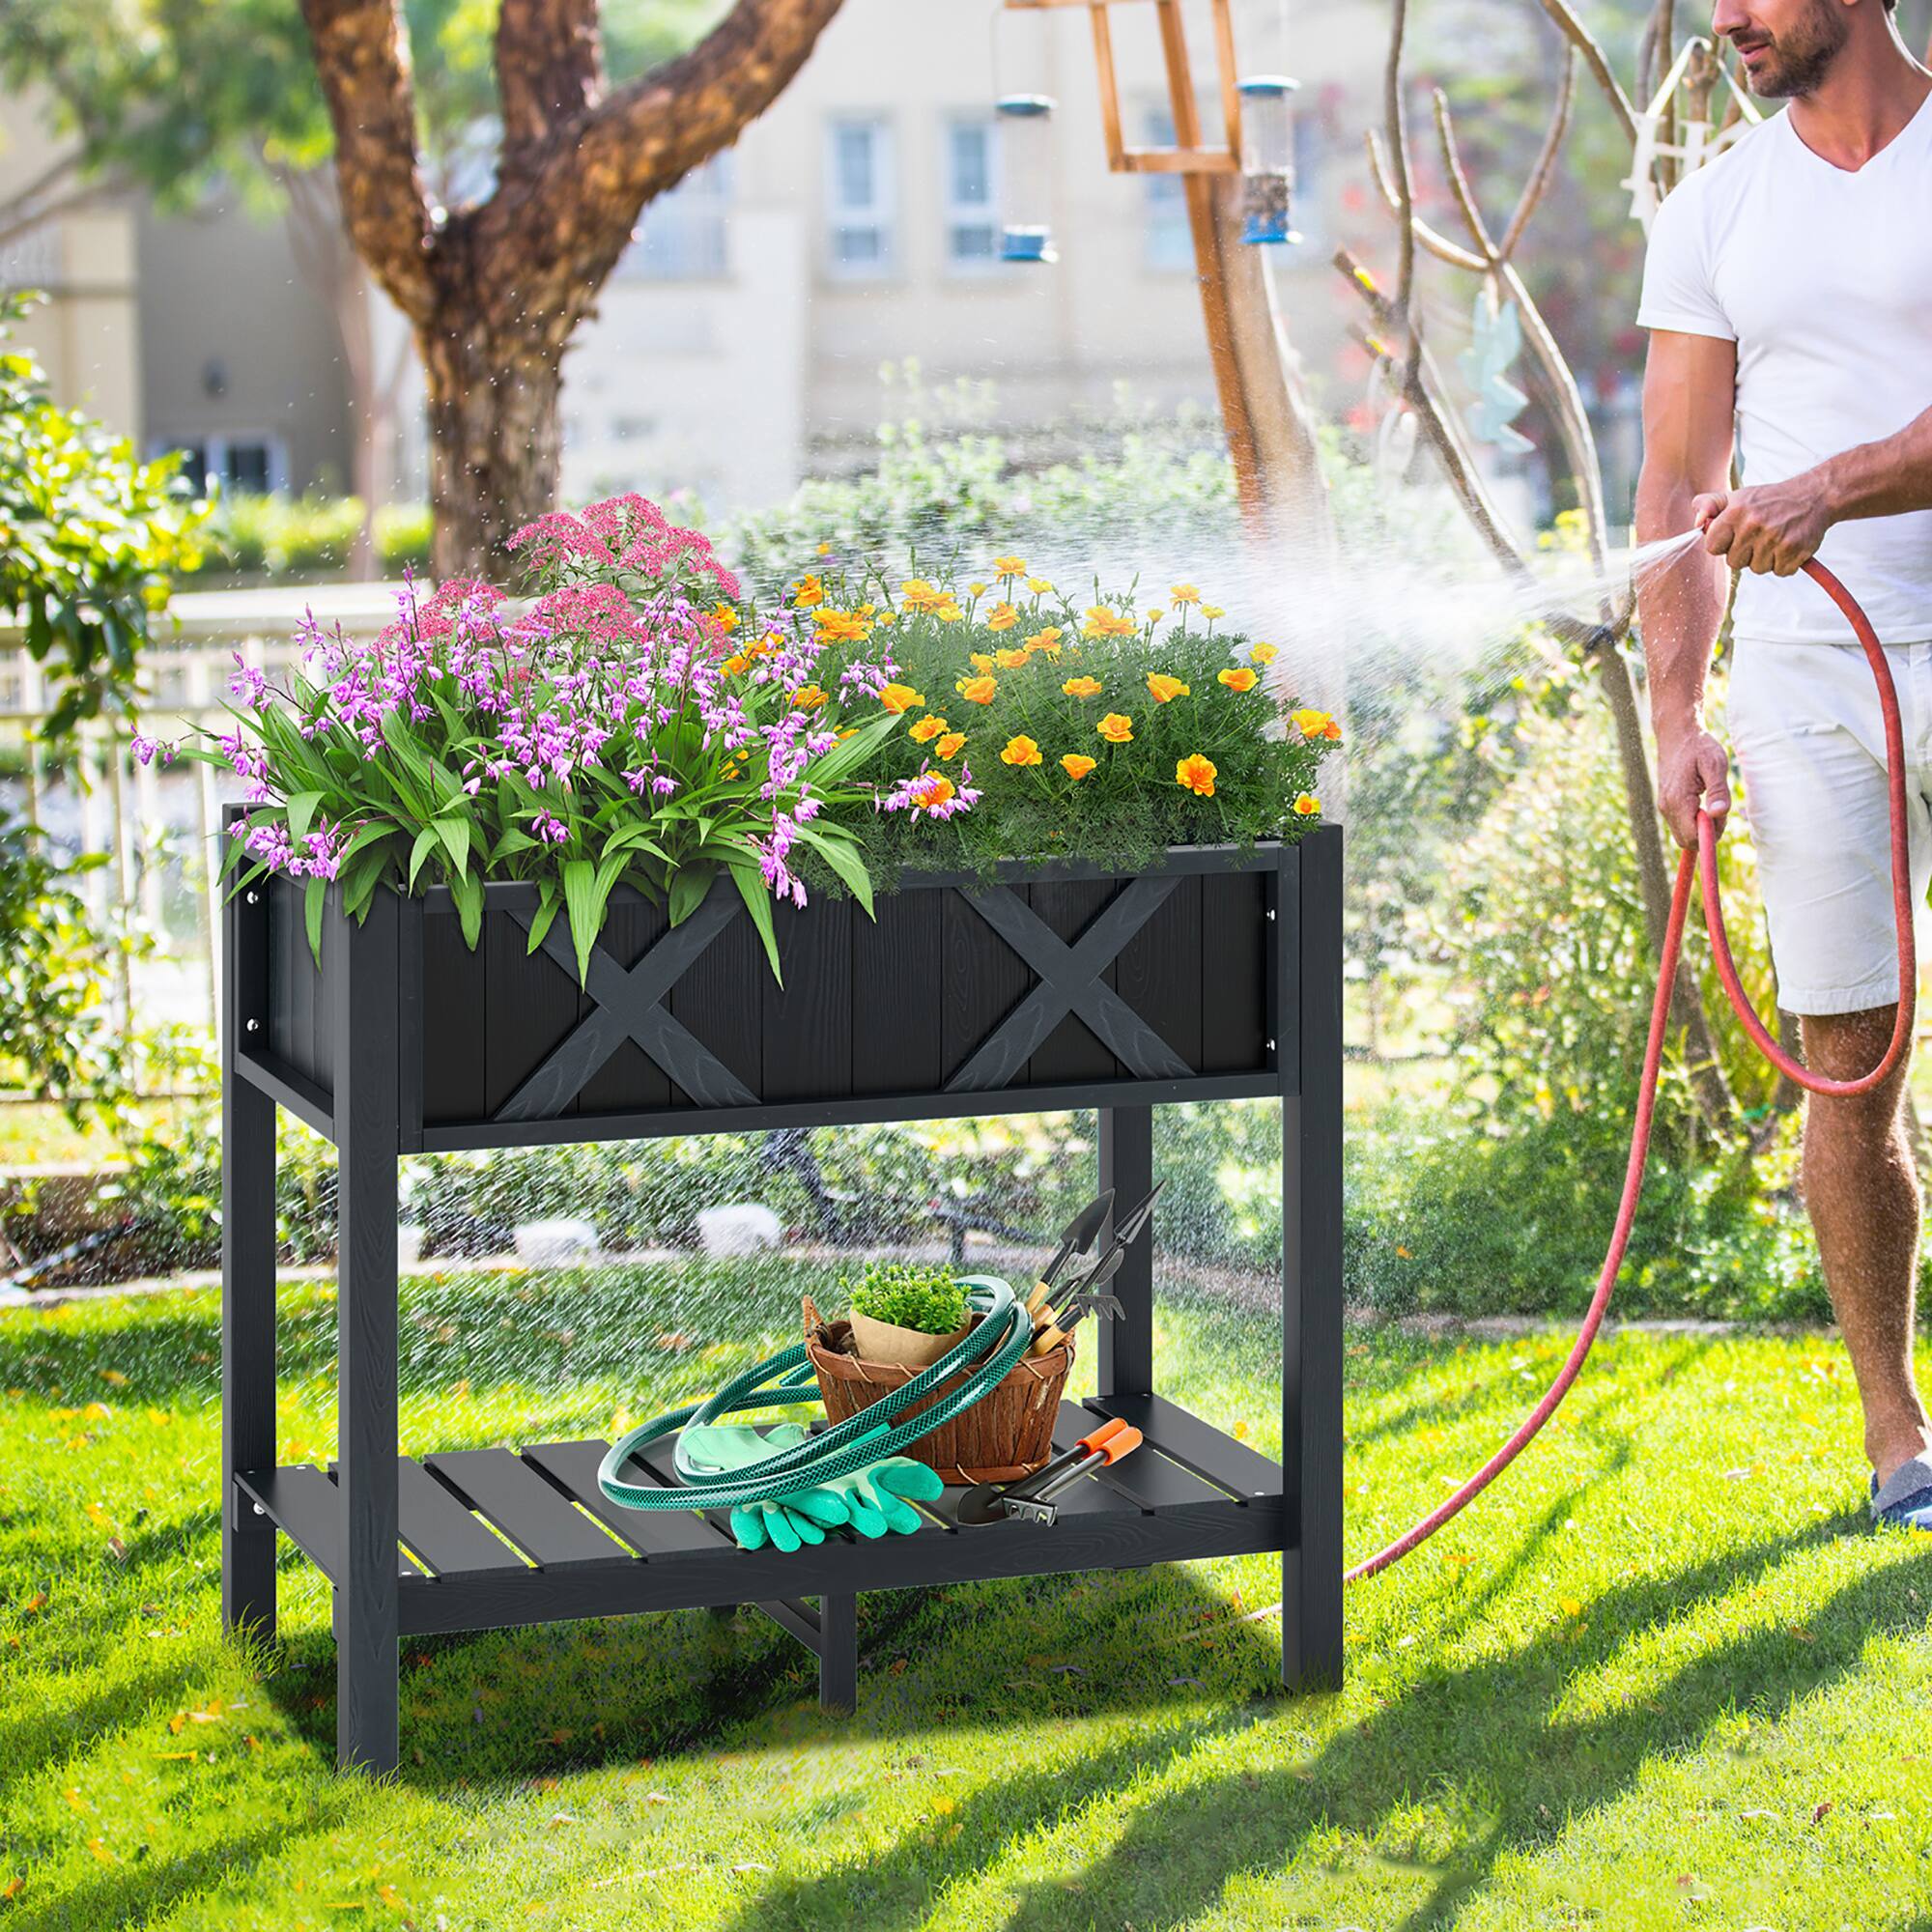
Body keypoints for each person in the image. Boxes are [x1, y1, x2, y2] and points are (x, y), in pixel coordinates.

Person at [1634, 0, 1932, 1526]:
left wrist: (1829, 486)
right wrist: (1679, 716)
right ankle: (1900, 1441)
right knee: (1845, 1065)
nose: (1730, 18)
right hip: (1808, 674)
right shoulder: (1715, 209)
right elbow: (1676, 486)